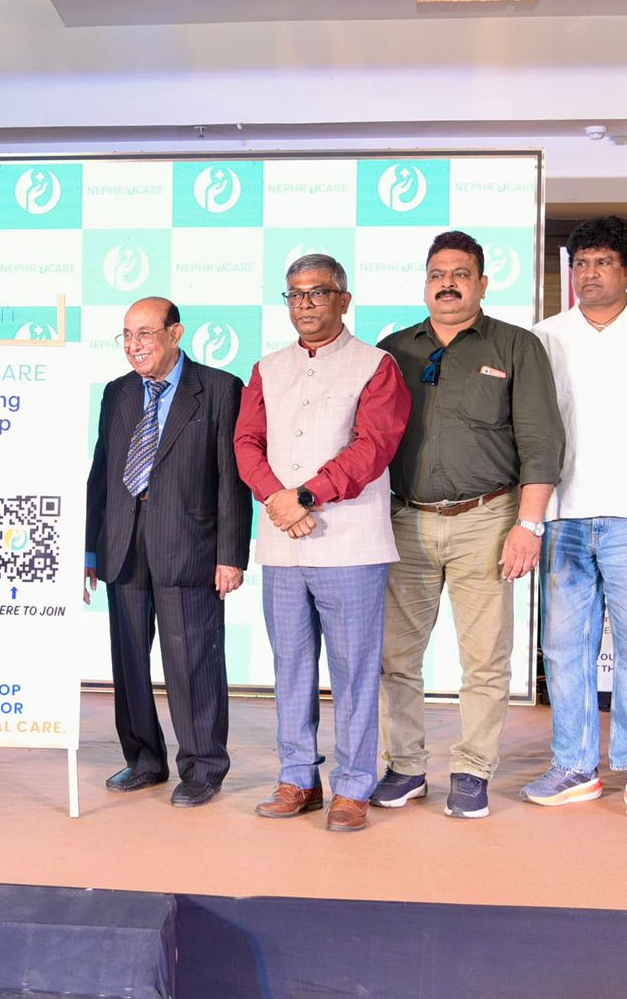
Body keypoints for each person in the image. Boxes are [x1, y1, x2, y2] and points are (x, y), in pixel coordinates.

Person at [374, 230, 563, 820]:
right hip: (405, 520)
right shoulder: (393, 350)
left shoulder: (516, 345)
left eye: (460, 274)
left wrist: (528, 526)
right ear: (425, 284)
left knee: (483, 660)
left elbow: (542, 443)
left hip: (488, 519)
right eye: (437, 274)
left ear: (482, 282)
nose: (448, 284)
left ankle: (472, 770)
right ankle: (405, 767)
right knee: (395, 657)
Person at [234, 254, 411, 832]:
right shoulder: (267, 368)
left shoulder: (376, 365)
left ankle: (354, 786)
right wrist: (277, 499)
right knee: (290, 665)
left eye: (317, 292)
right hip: (283, 545)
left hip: (351, 544)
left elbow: (373, 447)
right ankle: (298, 779)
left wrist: (305, 496)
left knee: (355, 671)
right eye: (295, 294)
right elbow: (247, 442)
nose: (305, 304)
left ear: (344, 299)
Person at [525, 217, 627, 818]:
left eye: (601, 262)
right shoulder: (544, 337)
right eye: (580, 263)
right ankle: (574, 765)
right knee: (563, 648)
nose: (589, 274)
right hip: (564, 516)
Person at [84, 297, 251, 808]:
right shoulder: (117, 392)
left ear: (175, 334)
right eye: (127, 335)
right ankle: (144, 760)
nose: (134, 345)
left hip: (190, 547)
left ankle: (203, 768)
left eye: (145, 334)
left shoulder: (220, 389)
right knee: (130, 662)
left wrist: (231, 555)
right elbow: (101, 472)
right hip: (123, 546)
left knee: (193, 663)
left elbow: (232, 479)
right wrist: (89, 549)